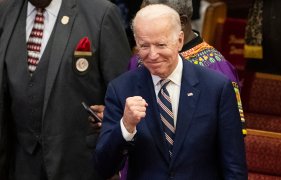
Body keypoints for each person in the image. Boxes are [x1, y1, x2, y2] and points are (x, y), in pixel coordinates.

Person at [94, 4, 247, 179]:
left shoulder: (216, 87)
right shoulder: (121, 89)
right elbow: (103, 167)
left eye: (160, 45)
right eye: (144, 46)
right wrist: (126, 127)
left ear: (180, 40)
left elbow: (234, 165)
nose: (152, 55)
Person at [0, 0, 131, 179]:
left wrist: (112, 115)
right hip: (20, 164)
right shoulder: (5, 11)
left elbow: (123, 94)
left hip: (78, 164)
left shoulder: (101, 14)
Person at [128, 0, 246, 136]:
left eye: (155, 21)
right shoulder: (139, 59)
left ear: (181, 22)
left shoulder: (216, 69)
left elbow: (231, 133)